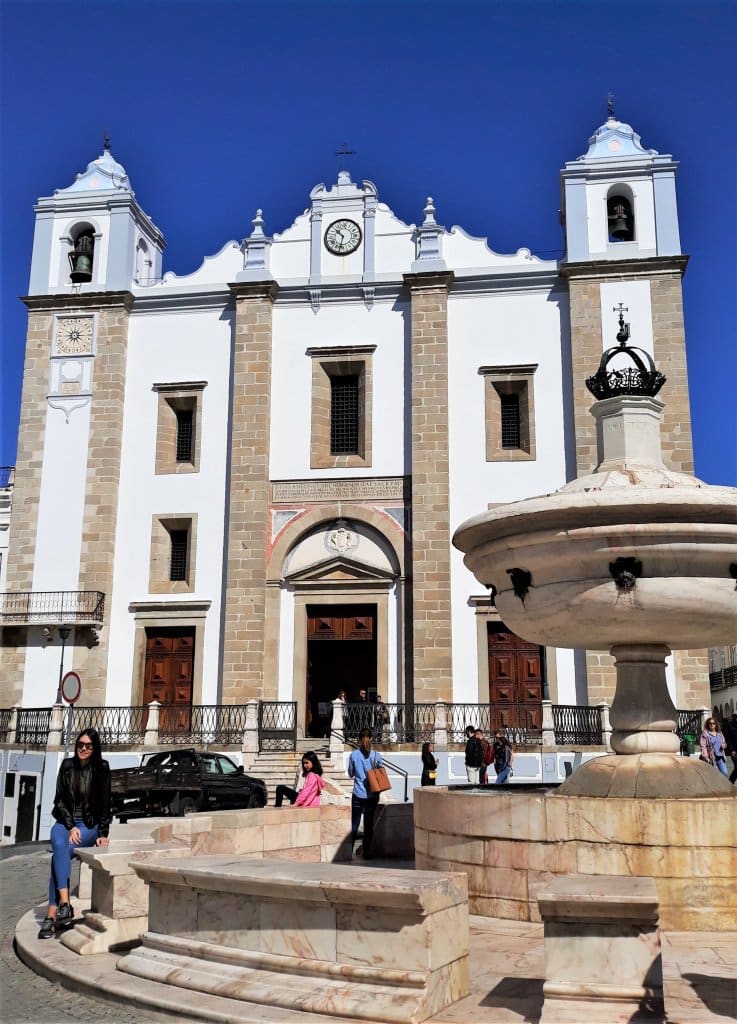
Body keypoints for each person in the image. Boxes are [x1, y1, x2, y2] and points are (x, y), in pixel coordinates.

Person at [38, 728, 111, 939]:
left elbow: (106, 803)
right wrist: (70, 826)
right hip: (65, 822)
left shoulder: (102, 768)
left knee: (59, 856)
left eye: (88, 746)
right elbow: (59, 800)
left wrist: (103, 833)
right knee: (59, 847)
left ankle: (51, 915)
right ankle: (65, 903)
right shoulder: (67, 766)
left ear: (95, 748)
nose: (83, 749)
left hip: (89, 825)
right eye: (80, 744)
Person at [347, 727, 383, 858]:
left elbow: (351, 773)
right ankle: (366, 852)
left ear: (358, 739)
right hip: (372, 794)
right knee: (369, 824)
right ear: (372, 738)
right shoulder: (376, 755)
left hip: (358, 792)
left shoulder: (353, 755)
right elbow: (381, 773)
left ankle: (348, 851)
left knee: (354, 824)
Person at [723, 711, 737, 784]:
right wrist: (731, 750)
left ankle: (730, 782)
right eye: (736, 716)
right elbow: (728, 739)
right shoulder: (729, 725)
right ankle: (730, 782)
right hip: (734, 751)